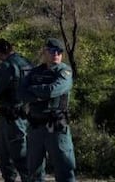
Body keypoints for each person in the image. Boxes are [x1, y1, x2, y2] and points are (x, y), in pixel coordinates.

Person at [18, 37, 76, 182]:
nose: (55, 54)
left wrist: (33, 90)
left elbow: (52, 91)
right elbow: (20, 93)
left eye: (59, 51)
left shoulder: (65, 71)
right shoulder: (35, 72)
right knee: (33, 172)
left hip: (55, 128)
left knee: (64, 171)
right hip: (36, 128)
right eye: (52, 51)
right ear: (45, 52)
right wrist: (38, 95)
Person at [0, 38, 33, 182]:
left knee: (7, 156)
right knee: (23, 152)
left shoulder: (8, 66)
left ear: (1, 53)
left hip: (10, 116)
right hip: (26, 114)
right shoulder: (27, 63)